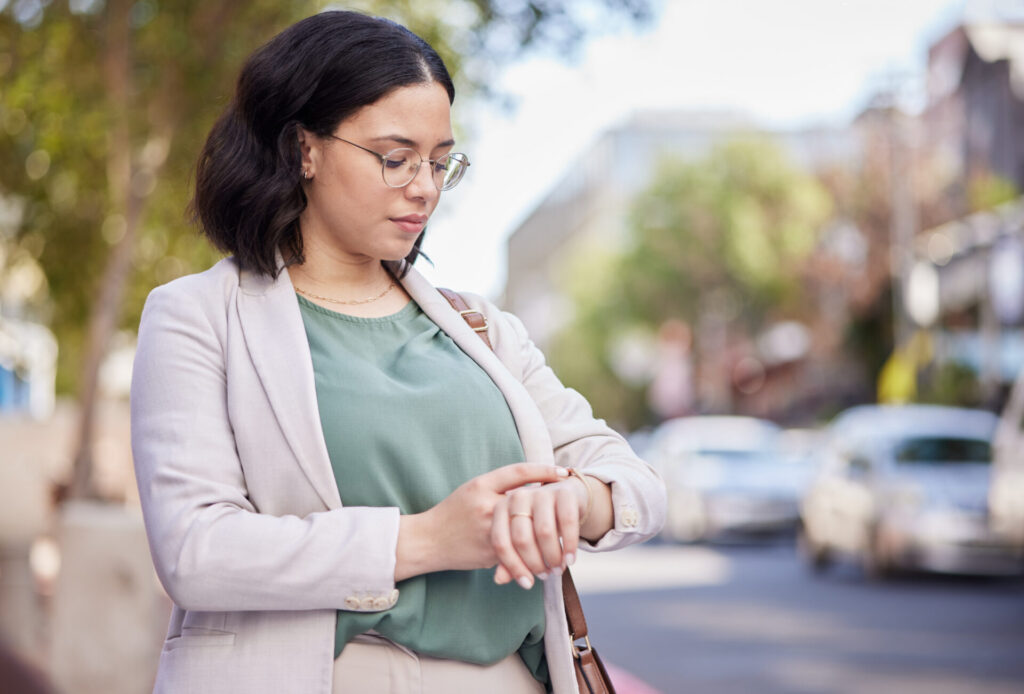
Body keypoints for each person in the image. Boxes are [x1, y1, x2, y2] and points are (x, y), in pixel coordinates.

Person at [130, 10, 665, 694]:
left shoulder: (479, 328)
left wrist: (575, 501)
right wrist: (428, 540)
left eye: (442, 162)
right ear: (304, 149)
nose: (425, 187)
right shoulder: (199, 318)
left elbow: (634, 483)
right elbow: (194, 551)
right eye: (395, 158)